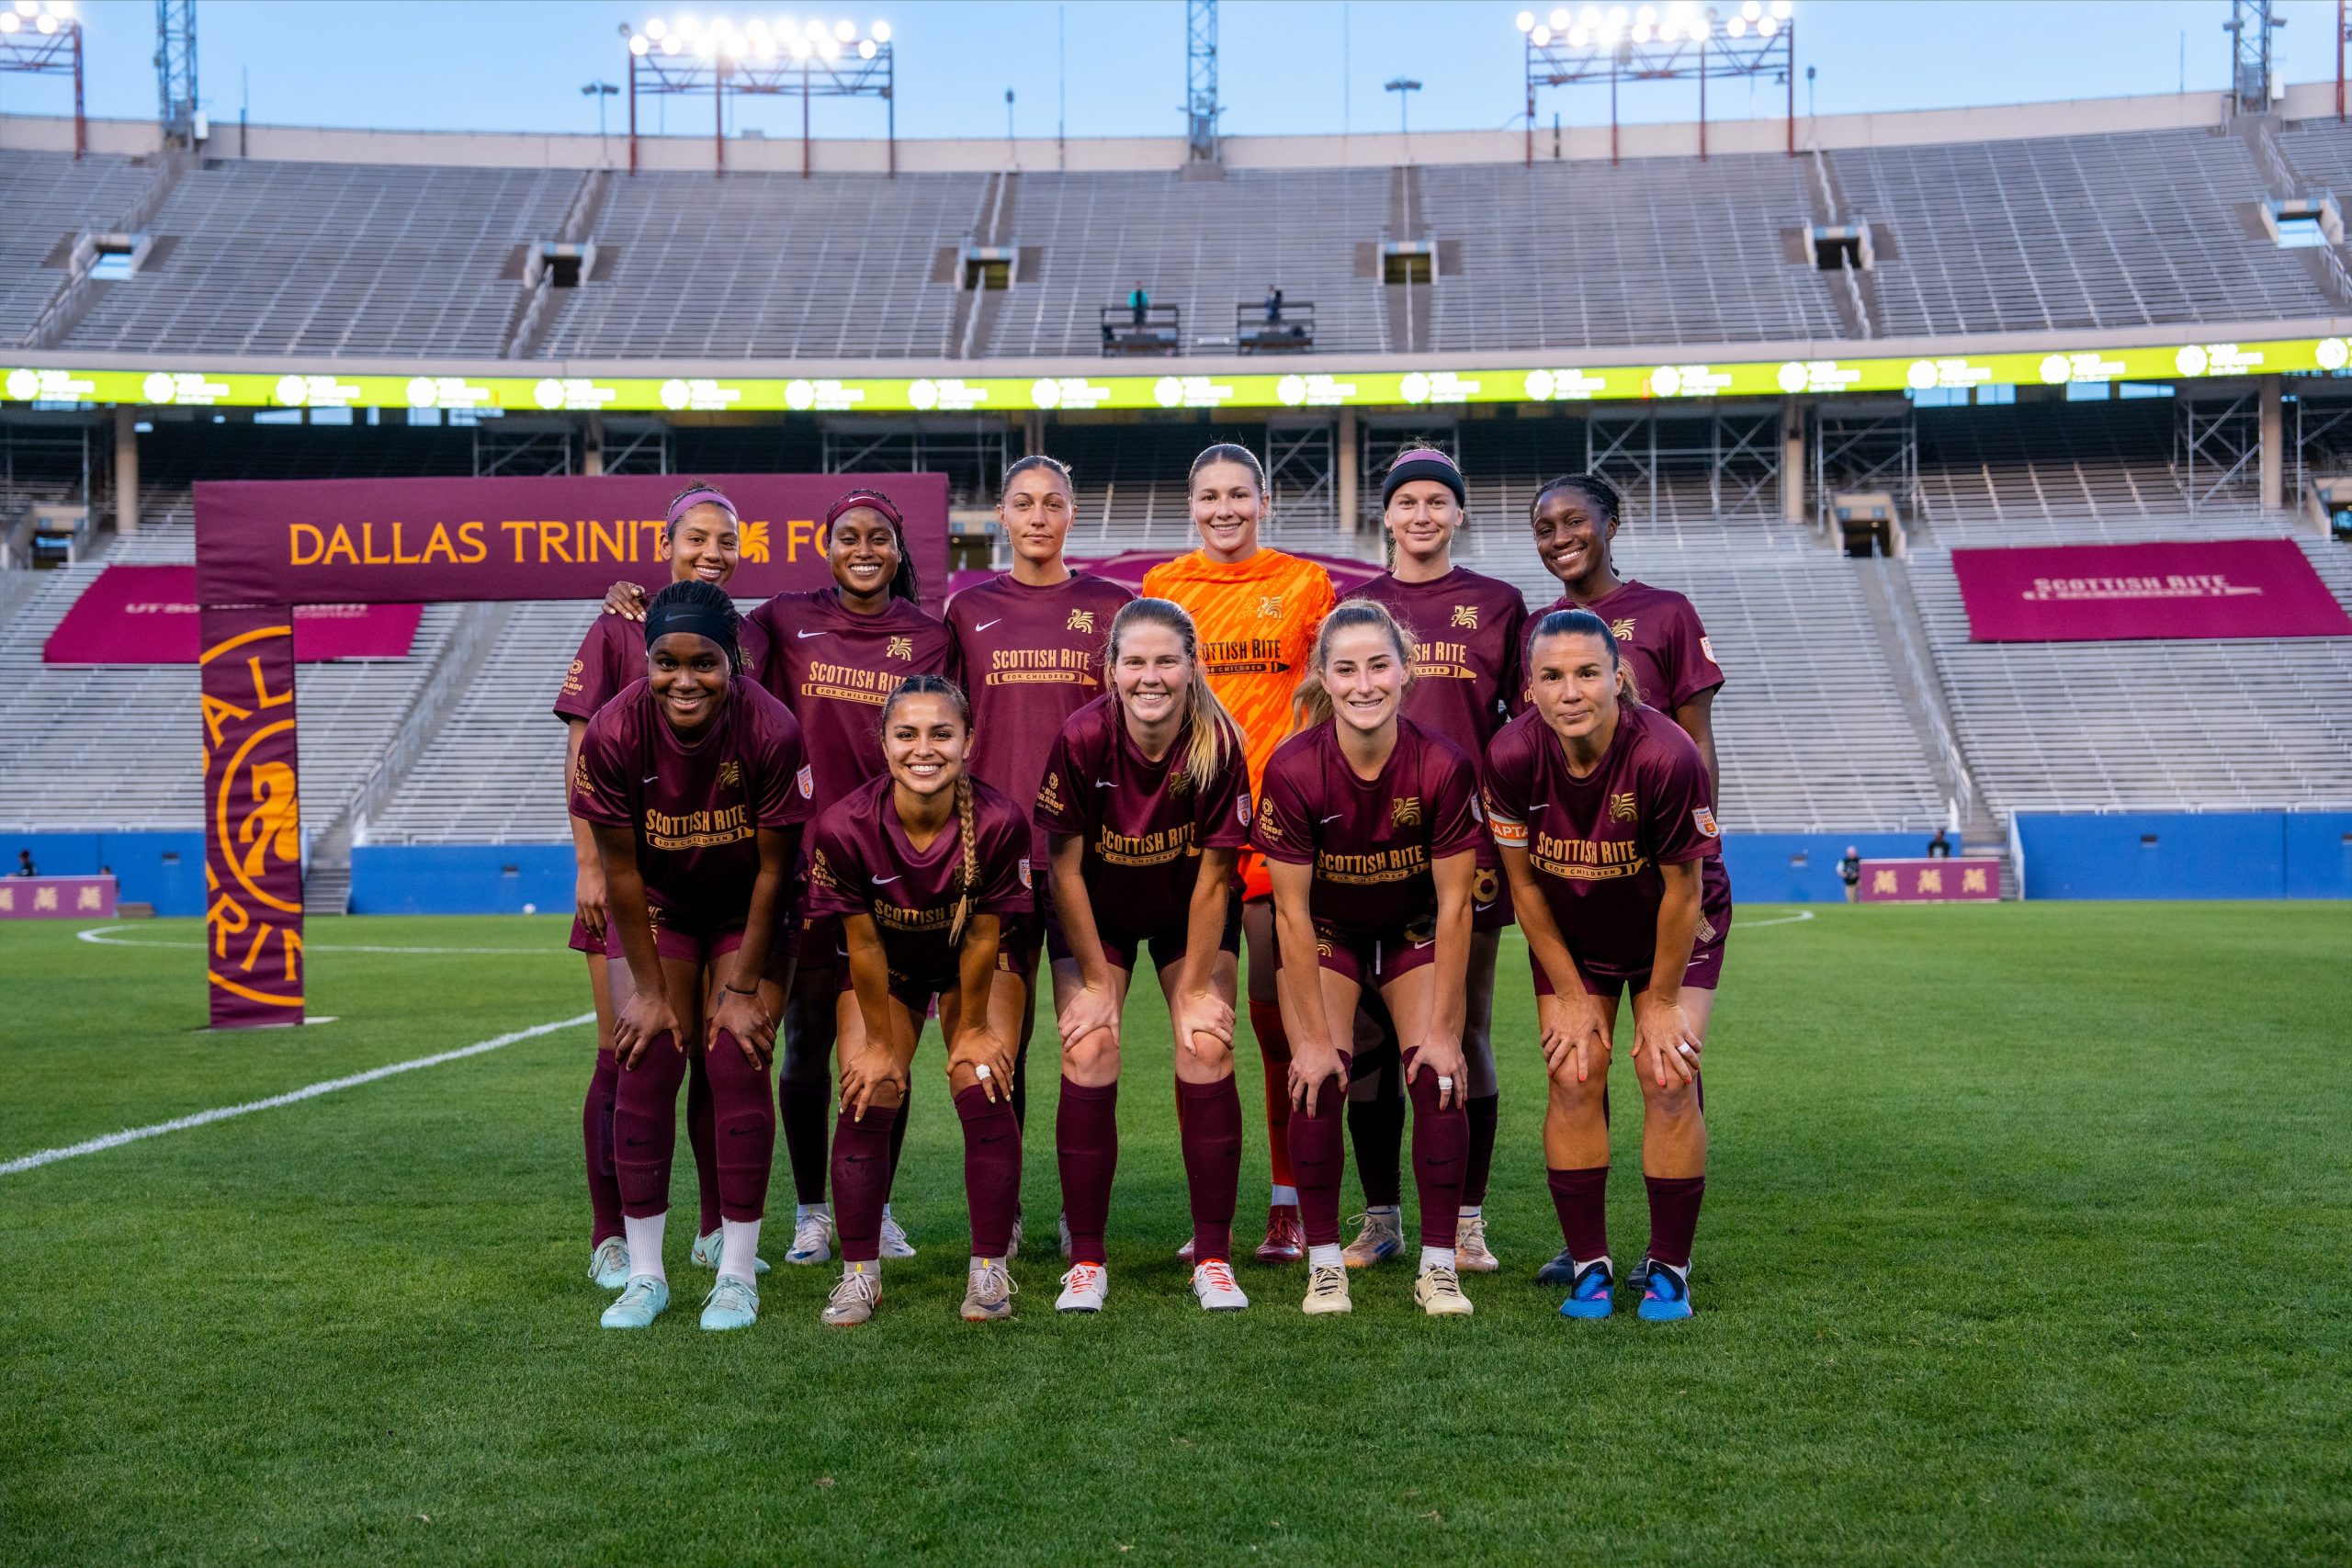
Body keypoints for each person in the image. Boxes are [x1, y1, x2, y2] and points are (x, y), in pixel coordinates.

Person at [569, 581, 812, 1332]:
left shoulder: (772, 729)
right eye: (666, 662)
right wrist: (646, 990)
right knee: (643, 1053)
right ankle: (646, 1275)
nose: (684, 679)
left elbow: (776, 870)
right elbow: (622, 872)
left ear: (733, 660)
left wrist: (741, 988)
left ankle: (735, 1273)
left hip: (750, 904)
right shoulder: (612, 733)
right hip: (664, 904)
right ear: (644, 661)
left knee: (739, 1056)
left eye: (703, 662)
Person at [1487, 608, 1725, 1324]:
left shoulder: (1667, 754)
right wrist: (1567, 991)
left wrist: (1658, 1001)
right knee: (1573, 1072)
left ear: (1618, 677)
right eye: (1552, 676)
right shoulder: (1508, 756)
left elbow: (1684, 890)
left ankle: (1670, 1266)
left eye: (1588, 673)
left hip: (1675, 925)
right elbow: (1523, 885)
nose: (1571, 691)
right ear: (1529, 687)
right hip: (1575, 929)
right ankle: (1589, 1262)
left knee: (1668, 1074)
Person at [559, 482, 766, 1291]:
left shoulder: (748, 632)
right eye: (697, 539)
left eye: (726, 541)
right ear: (667, 539)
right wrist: (585, 864)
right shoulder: (619, 624)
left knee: (722, 1055)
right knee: (627, 1052)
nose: (712, 553)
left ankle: (717, 1225)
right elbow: (584, 750)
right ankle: (610, 1233)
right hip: (631, 881)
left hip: (722, 877)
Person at [1529, 472, 1735, 1287]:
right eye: (1544, 526)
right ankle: (1589, 1245)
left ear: (1614, 522)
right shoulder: (1539, 627)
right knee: (1578, 1066)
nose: (1558, 537)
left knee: (1666, 1065)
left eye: (1575, 520)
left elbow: (1696, 740)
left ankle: (1666, 1252)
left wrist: (1697, 843)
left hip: (1665, 876)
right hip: (1578, 880)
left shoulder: (1666, 612)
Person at [1255, 600, 1484, 1318]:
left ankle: (1440, 1266)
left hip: (1414, 927)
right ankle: (1326, 1266)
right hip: (1330, 932)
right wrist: (1313, 1038)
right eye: (1345, 668)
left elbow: (1454, 906)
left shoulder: (1443, 763)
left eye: (1378, 665)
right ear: (1322, 674)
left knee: (1441, 1073)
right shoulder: (1292, 768)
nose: (1363, 684)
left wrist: (1447, 1030)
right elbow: (1289, 911)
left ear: (1405, 672)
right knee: (1316, 1076)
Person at [1142, 443, 1338, 1263]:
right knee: (1203, 1027)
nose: (1224, 509)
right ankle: (1210, 1213)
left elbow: (1329, 696)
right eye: (1209, 496)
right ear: (1193, 505)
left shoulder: (1304, 585)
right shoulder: (1164, 588)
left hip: (1283, 829)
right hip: (1198, 832)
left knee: (1279, 1025)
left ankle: (1289, 1204)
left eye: (1238, 495)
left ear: (1263, 502)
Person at [1036, 599, 1254, 1313]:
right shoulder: (1081, 737)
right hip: (1095, 912)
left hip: (1186, 908)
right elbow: (1062, 870)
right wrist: (1096, 982)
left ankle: (1214, 1257)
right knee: (1090, 1047)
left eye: (1166, 660)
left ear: (1194, 666)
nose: (1150, 675)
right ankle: (1088, 1260)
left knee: (1206, 1043)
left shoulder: (1218, 742)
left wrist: (1195, 986)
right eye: (1136, 660)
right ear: (1113, 669)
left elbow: (1218, 876)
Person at [805, 676, 1035, 1326]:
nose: (923, 748)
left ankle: (989, 1271)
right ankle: (859, 1276)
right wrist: (880, 1045)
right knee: (867, 1085)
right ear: (882, 743)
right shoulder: (845, 825)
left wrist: (978, 1029)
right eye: (907, 733)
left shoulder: (998, 819)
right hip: (892, 965)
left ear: (969, 740)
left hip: (975, 963)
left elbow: (987, 933)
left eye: (941, 732)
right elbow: (863, 945)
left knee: (981, 1076)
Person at [1347, 448, 1526, 1275]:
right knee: (1370, 1033)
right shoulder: (1354, 604)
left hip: (1466, 842)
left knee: (1466, 1024)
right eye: (1406, 502)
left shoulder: (1499, 604)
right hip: (1364, 844)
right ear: (1385, 515)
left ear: (1460, 514)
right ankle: (1382, 1216)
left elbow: (1521, 731)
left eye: (1437, 502)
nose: (1421, 515)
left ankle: (1463, 1220)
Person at [944, 456, 1133, 1233]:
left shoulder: (1114, 606)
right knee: (997, 1040)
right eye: (1023, 503)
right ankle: (1008, 1205)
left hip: (1083, 859)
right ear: (1001, 515)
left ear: (1071, 514)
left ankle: (1076, 1212)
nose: (1038, 516)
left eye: (1053, 503)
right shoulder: (966, 609)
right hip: (991, 858)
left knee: (1086, 1037)